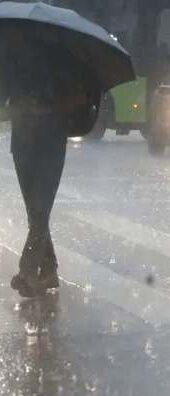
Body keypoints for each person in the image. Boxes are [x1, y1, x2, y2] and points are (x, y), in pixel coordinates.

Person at [0, 31, 90, 298]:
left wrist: (46, 107)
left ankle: (28, 271)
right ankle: (49, 270)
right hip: (23, 145)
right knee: (35, 211)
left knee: (40, 210)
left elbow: (80, 98)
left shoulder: (62, 62)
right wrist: (19, 107)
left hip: (50, 144)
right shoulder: (11, 62)